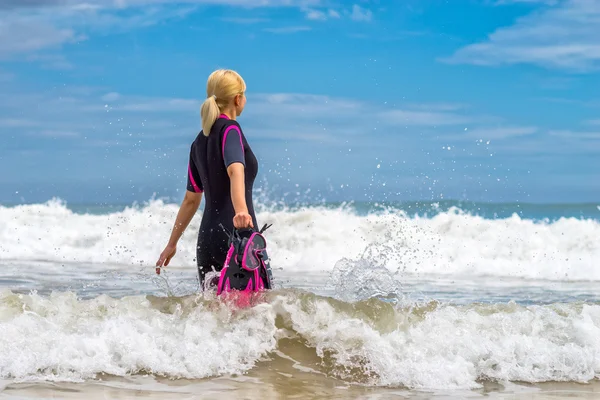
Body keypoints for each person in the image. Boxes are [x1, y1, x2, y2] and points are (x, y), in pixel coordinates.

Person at [155, 68, 260, 289]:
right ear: (237, 98)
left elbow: (191, 200)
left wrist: (171, 244)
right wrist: (241, 211)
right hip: (236, 236)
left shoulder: (198, 142)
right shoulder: (231, 129)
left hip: (207, 241)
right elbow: (235, 170)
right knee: (253, 311)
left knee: (214, 314)